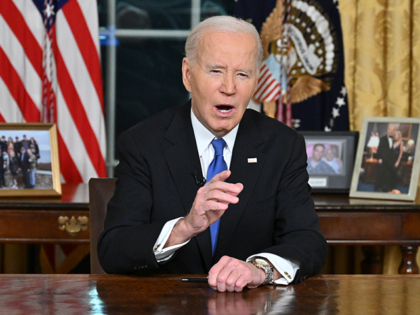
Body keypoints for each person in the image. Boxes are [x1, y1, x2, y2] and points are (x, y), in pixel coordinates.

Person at [98, 16, 327, 292]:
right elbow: (114, 249)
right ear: (188, 74)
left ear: (256, 80)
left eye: (242, 74)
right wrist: (185, 226)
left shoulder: (283, 145)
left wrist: (259, 270)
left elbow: (308, 242)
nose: (229, 88)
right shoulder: (143, 143)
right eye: (216, 71)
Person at [375, 123, 398, 192]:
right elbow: (379, 150)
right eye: (389, 129)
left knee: (391, 175)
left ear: (394, 131)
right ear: (387, 129)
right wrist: (379, 159)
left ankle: (389, 188)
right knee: (381, 175)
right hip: (384, 161)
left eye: (392, 130)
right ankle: (378, 188)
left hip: (391, 161)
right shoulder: (382, 139)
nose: (390, 131)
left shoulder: (395, 139)